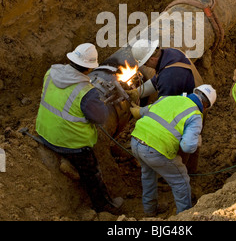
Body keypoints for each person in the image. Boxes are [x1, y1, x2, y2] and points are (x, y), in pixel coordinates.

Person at [35, 43, 123, 213]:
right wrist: (99, 102)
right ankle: (104, 204)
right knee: (92, 172)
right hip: (70, 144)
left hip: (44, 132)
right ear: (89, 69)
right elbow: (101, 118)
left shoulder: (51, 72)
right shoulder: (85, 91)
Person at [130, 84, 217, 216]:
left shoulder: (169, 98)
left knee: (148, 176)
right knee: (181, 181)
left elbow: (143, 111)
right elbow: (187, 147)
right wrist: (197, 141)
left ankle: (150, 211)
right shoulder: (195, 115)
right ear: (205, 106)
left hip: (136, 141)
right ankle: (184, 217)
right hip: (155, 150)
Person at [128, 39, 203, 102]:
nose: (146, 66)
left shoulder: (168, 77)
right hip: (198, 96)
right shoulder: (170, 53)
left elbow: (163, 106)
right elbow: (157, 79)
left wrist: (140, 112)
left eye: (145, 64)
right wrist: (137, 93)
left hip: (193, 113)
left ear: (152, 59)